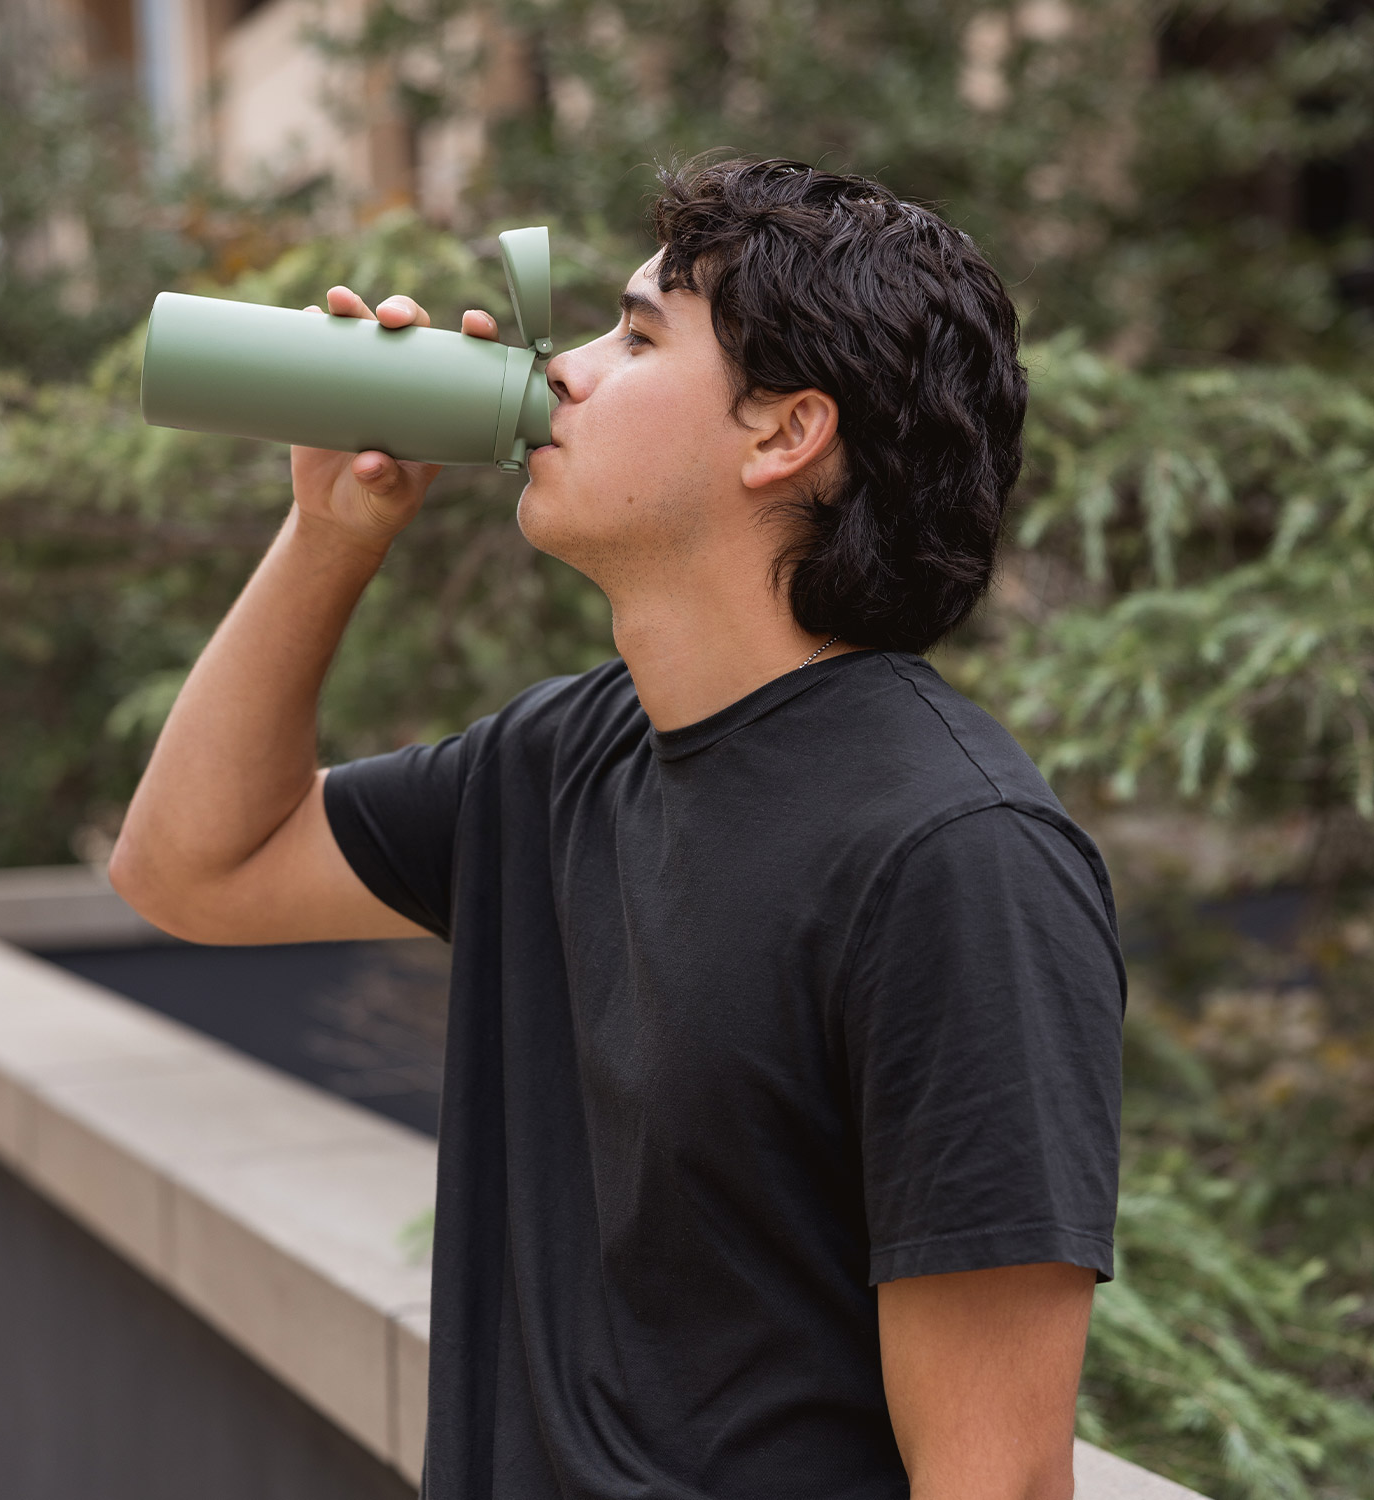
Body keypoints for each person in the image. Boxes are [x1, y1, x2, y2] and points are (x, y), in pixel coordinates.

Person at [111, 157, 1125, 1500]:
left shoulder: (955, 857)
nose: (568, 372)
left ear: (783, 433)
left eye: (638, 336)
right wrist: (328, 533)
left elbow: (991, 1486)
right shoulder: (566, 759)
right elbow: (193, 869)